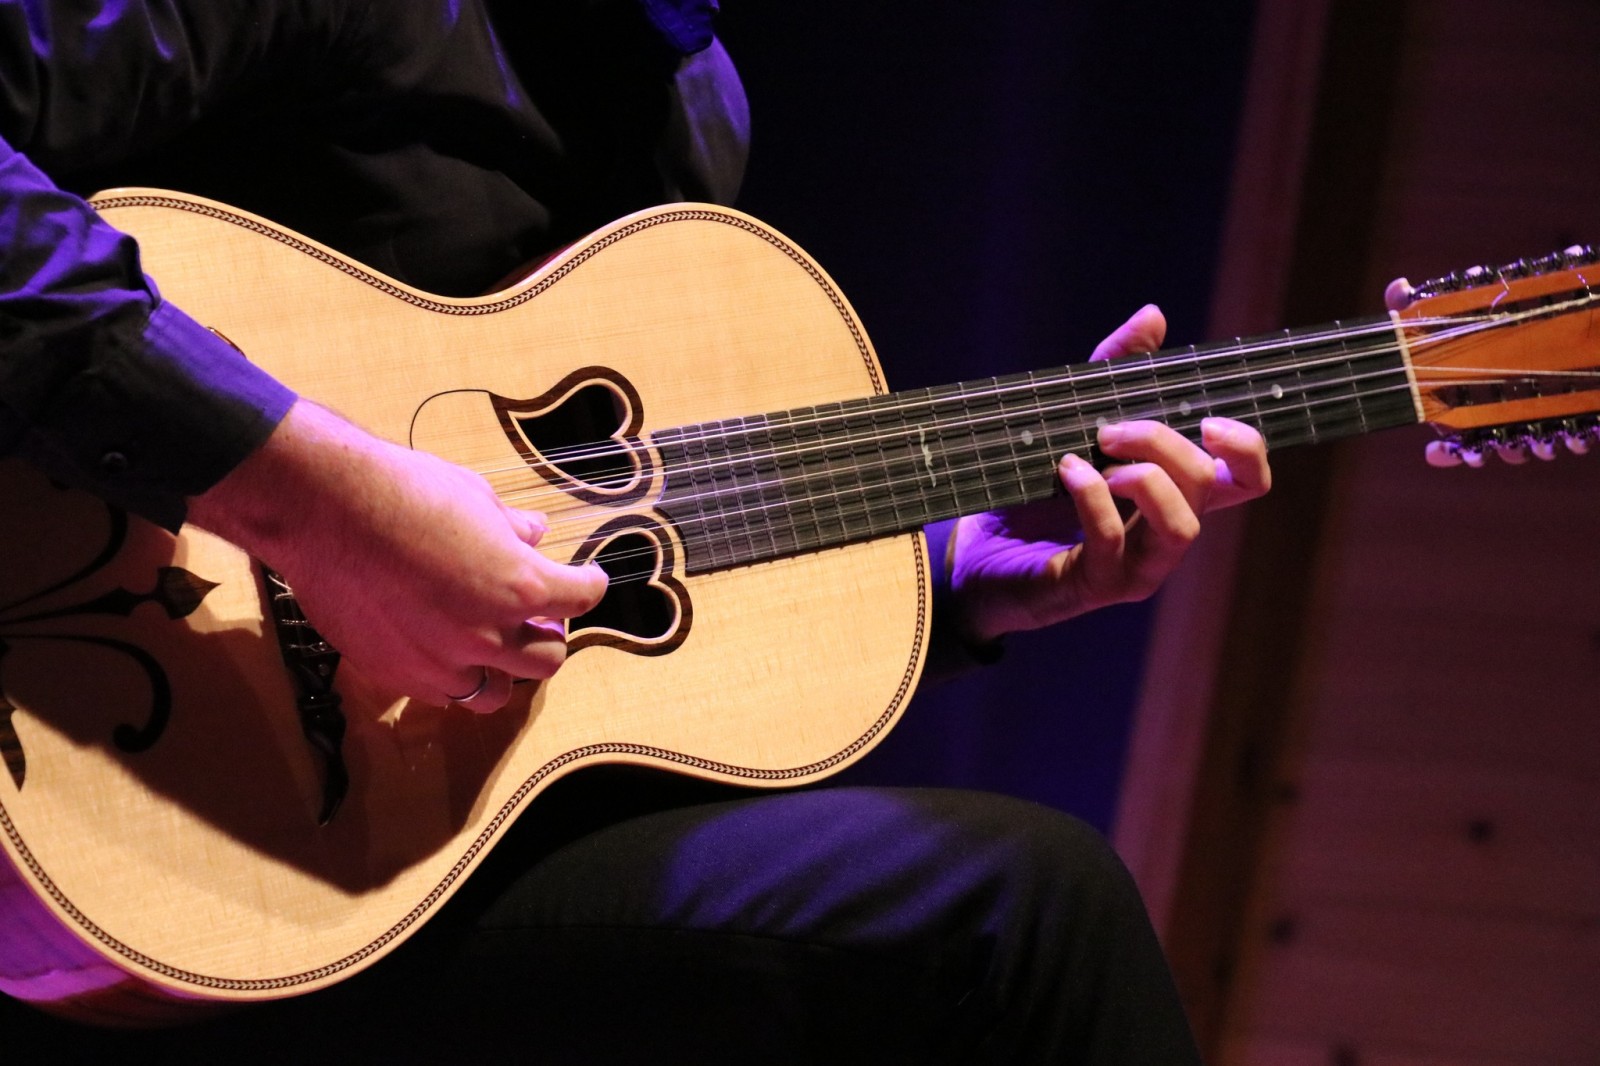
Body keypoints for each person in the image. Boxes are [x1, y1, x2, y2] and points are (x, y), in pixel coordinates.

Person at [0, 2, 1270, 1061]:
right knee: (1028, 913)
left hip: (390, 854)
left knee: (977, 910)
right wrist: (308, 500)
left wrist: (953, 579)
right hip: (122, 848)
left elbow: (604, 536)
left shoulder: (686, 97)